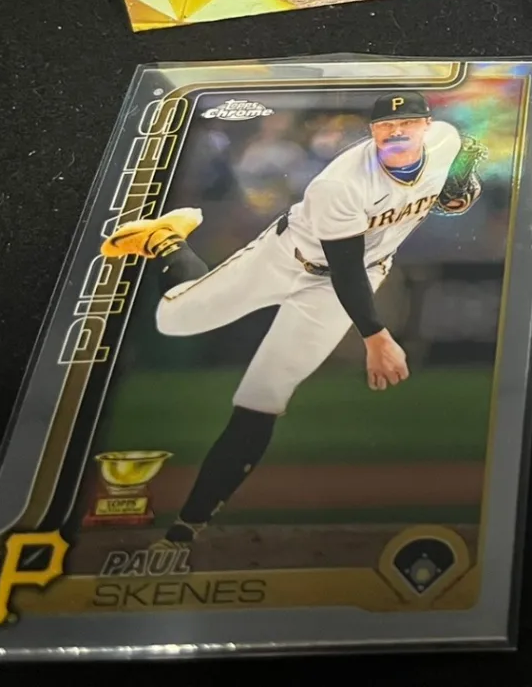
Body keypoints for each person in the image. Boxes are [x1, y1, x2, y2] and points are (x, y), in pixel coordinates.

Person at [100, 92, 482, 547]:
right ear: (373, 132)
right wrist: (376, 337)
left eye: (409, 122)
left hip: (355, 277)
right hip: (285, 259)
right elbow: (344, 267)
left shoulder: (446, 142)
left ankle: (187, 527)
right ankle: (166, 240)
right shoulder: (341, 183)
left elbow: (454, 192)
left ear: (427, 125)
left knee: (265, 395)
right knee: (173, 320)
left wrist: (460, 188)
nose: (397, 131)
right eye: (386, 125)